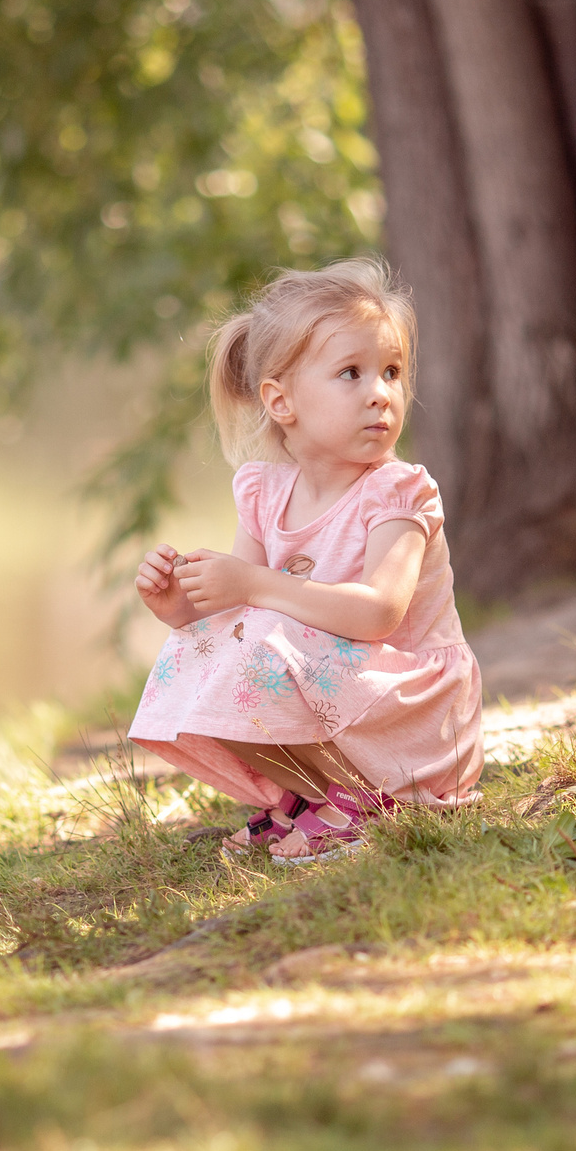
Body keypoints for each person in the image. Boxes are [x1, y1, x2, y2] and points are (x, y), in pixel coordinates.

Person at [129, 257, 484, 862]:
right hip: (346, 692)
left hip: (415, 707)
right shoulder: (266, 493)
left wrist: (255, 585)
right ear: (281, 401)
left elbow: (378, 613)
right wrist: (179, 609)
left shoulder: (398, 493)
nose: (380, 393)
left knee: (266, 630)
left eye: (392, 372)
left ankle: (369, 801)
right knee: (204, 648)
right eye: (351, 373)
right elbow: (241, 611)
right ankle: (307, 799)